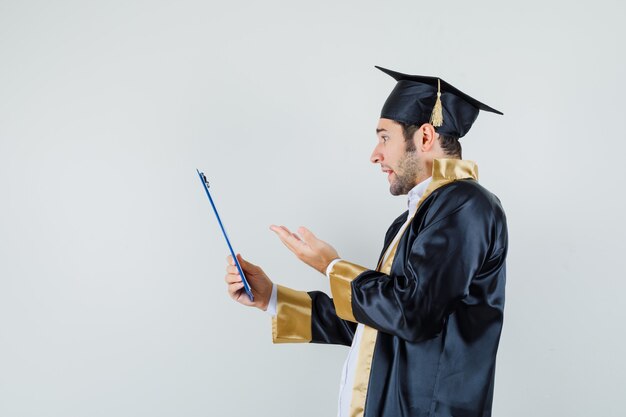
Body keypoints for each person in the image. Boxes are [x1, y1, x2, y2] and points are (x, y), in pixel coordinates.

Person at [224, 66, 508, 417]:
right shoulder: (412, 219)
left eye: (384, 137)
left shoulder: (466, 205)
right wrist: (272, 298)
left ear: (424, 137)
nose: (375, 154)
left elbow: (411, 314)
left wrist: (332, 266)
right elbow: (376, 321)